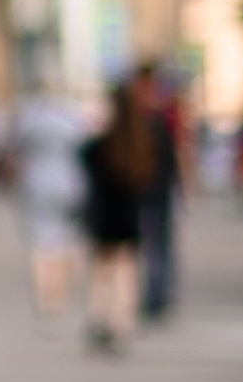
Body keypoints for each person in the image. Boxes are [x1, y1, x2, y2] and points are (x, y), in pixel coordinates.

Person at [11, 85, 89, 324]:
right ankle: (59, 296)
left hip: (35, 184)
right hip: (70, 184)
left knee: (39, 244)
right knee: (65, 242)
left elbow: (15, 150)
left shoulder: (29, 118)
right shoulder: (73, 119)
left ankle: (44, 298)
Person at [80, 79, 148, 353]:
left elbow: (83, 159)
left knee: (102, 270)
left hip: (104, 214)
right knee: (126, 270)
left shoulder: (102, 144)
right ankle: (123, 322)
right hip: (129, 213)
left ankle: (99, 317)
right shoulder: (141, 142)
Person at [131, 58, 183, 318]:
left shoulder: (142, 110)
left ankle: (156, 293)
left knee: (153, 242)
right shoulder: (160, 109)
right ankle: (157, 293)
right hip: (152, 186)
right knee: (156, 242)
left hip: (148, 186)